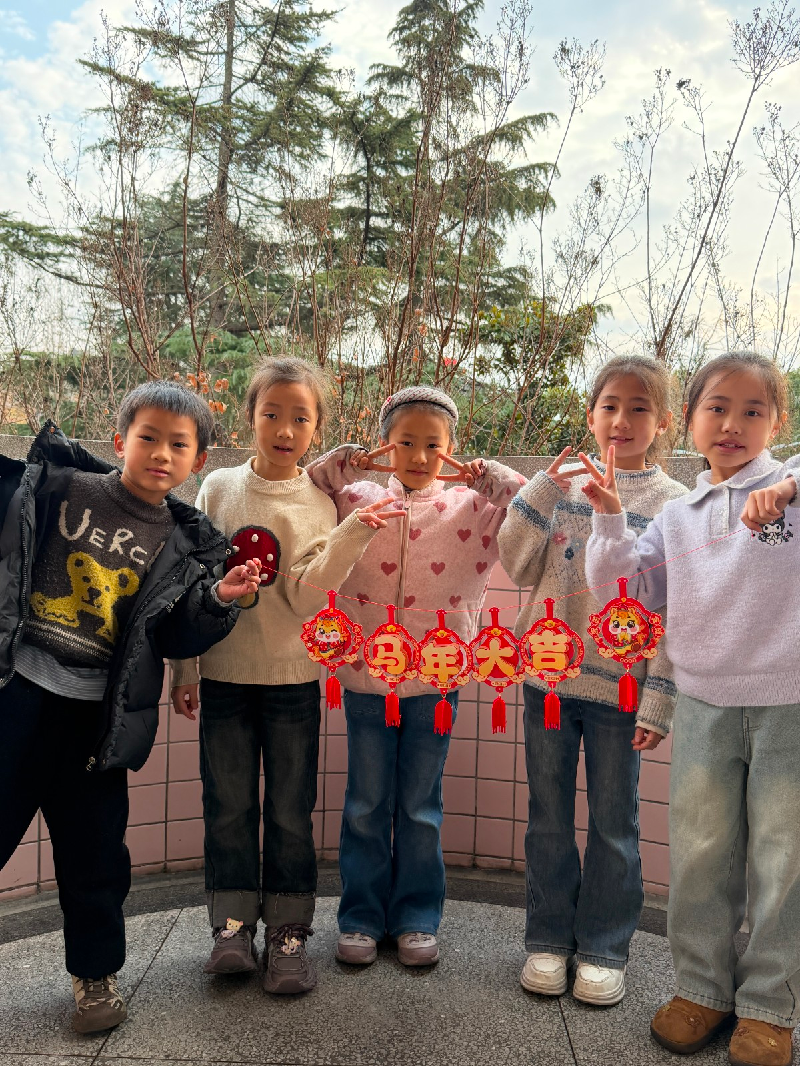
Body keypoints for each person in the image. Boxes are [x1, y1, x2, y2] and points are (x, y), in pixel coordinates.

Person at [0, 382, 260, 1035]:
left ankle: (95, 977)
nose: (161, 454)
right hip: (19, 696)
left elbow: (176, 635)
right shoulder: (62, 486)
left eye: (178, 445)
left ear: (198, 460)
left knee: (96, 857)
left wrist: (219, 598)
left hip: (98, 721)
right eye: (148, 437)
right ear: (120, 441)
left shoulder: (186, 542)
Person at [583, 352, 800, 1066]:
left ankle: (770, 1007)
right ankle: (701, 989)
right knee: (703, 853)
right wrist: (609, 521)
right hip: (703, 704)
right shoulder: (678, 517)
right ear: (691, 419)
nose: (733, 424)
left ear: (778, 423)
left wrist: (789, 485)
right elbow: (628, 595)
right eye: (717, 408)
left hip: (790, 706)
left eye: (752, 411)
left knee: (785, 860)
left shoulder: (790, 490)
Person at [170, 356, 401, 994]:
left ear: (316, 429)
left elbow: (304, 599)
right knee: (227, 806)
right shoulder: (217, 488)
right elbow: (189, 581)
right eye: (271, 413)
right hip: (222, 676)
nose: (284, 428)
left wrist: (351, 534)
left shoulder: (319, 502)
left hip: (294, 681)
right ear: (250, 417)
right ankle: (232, 928)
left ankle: (290, 933)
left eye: (301, 418)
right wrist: (184, 667)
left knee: (291, 811)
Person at [306, 385, 526, 968]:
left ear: (452, 447)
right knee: (365, 803)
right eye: (406, 442)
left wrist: (489, 476)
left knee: (421, 806)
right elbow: (306, 487)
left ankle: (417, 918)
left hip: (438, 681)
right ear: (386, 445)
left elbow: (533, 508)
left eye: (434, 444)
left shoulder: (471, 508)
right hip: (364, 677)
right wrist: (347, 461)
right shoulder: (355, 498)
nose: (420, 456)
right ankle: (359, 917)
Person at [497, 355, 688, 1006]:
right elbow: (516, 562)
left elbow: (674, 613)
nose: (622, 419)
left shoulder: (674, 504)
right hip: (548, 682)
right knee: (547, 817)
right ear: (590, 415)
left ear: (664, 422)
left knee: (614, 823)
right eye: (610, 405)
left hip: (620, 690)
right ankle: (547, 941)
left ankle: (604, 948)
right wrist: (542, 487)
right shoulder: (564, 489)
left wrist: (659, 699)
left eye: (639, 407)